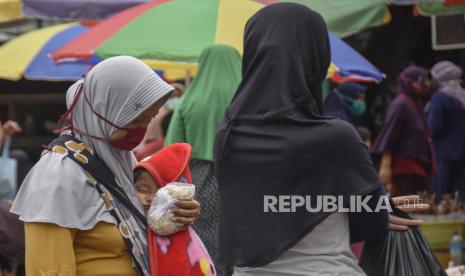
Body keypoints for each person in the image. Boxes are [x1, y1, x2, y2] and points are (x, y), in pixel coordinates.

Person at [214, 4, 425, 276]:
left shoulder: (227, 135)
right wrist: (380, 207)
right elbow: (369, 219)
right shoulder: (336, 137)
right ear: (316, 57)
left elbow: (250, 217)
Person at [10, 56, 200, 276]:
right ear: (103, 112)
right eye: (135, 121)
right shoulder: (57, 176)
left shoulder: (120, 158)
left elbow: (133, 227)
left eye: (148, 120)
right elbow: (47, 270)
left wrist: (174, 213)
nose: (141, 131)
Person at [165, 44, 241, 276]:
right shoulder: (248, 100)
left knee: (204, 238)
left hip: (198, 178)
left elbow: (172, 147)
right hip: (241, 177)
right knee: (237, 237)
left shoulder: (189, 101)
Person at [372, 65, 435, 197]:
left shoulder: (413, 104)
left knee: (422, 206)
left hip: (415, 168)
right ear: (410, 82)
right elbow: (390, 134)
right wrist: (385, 167)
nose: (426, 85)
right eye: (423, 81)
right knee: (416, 207)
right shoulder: (401, 104)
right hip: (403, 168)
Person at [428, 61, 465, 201]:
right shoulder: (462, 96)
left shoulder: (440, 98)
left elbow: (434, 126)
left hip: (442, 154)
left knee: (441, 195)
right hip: (462, 153)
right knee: (459, 196)